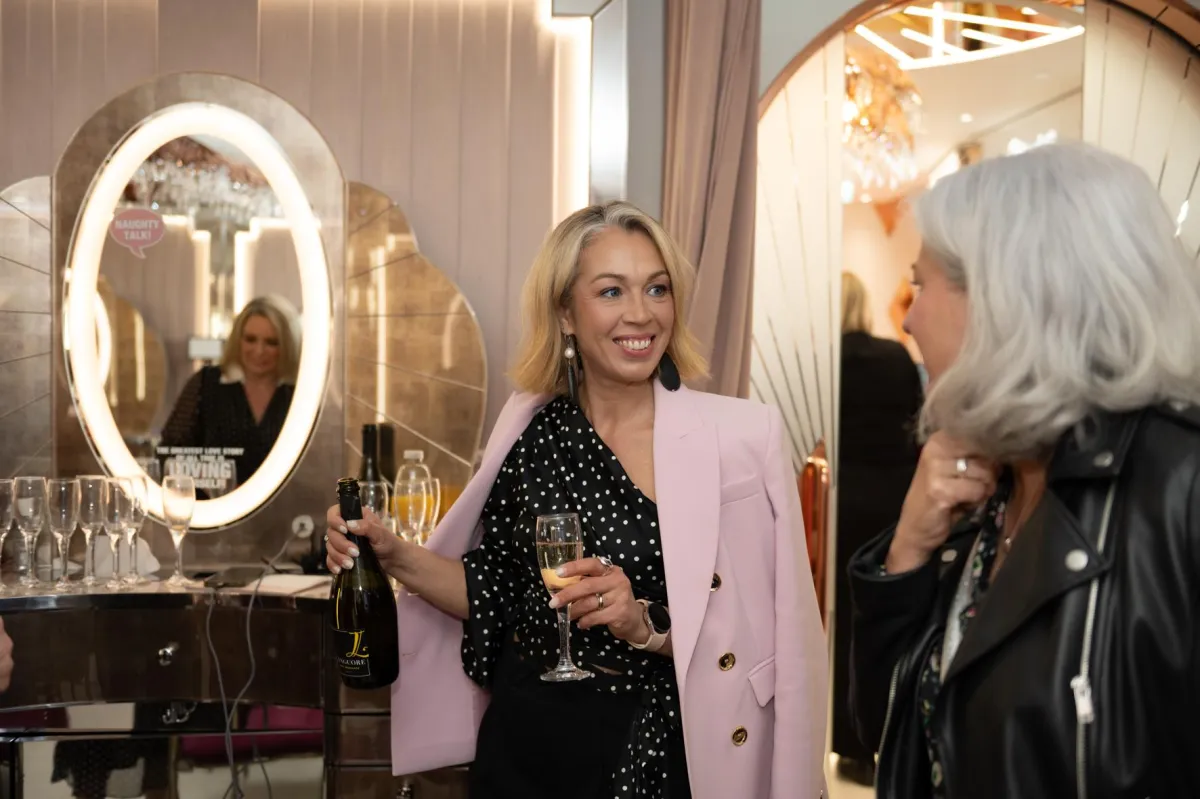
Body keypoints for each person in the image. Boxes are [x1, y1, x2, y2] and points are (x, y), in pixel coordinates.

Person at [324, 201, 828, 799]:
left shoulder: (742, 439)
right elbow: (498, 591)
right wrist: (393, 554)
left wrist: (643, 624)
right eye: (611, 291)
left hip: (663, 748)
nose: (641, 313)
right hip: (528, 744)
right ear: (565, 312)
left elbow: (783, 636)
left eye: (657, 288)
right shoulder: (530, 431)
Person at [849, 142, 1200, 799]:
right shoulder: (983, 485)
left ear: (1007, 296)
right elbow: (887, 730)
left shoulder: (1181, 487)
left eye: (921, 284)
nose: (909, 318)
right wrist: (906, 553)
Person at [832, 271, 922, 784]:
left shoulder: (828, 362)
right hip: (895, 502)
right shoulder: (895, 357)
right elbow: (918, 424)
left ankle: (847, 742)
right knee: (888, 613)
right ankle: (886, 736)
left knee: (842, 619)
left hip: (841, 503)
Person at [160, 294, 300, 487]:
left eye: (271, 342)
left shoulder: (299, 394)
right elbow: (168, 456)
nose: (259, 351)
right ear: (237, 339)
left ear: (287, 345)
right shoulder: (206, 384)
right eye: (250, 339)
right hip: (213, 504)